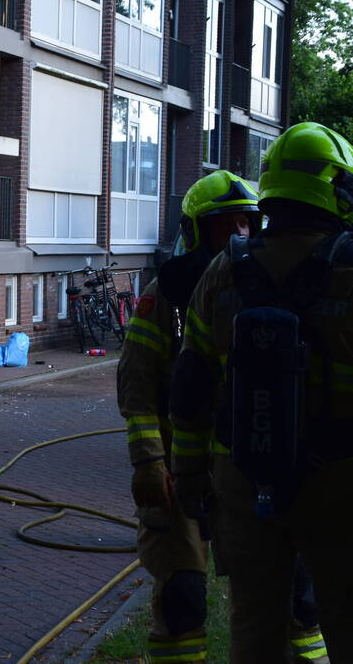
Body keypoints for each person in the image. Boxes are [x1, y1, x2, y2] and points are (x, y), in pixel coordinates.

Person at [171, 122, 353, 662]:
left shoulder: (226, 268)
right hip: (339, 486)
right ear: (336, 187)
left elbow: (189, 388)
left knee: (253, 628)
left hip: (242, 482)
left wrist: (187, 480)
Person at [117, 170, 264, 663]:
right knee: (183, 595)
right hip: (179, 468)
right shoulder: (167, 295)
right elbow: (137, 382)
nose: (241, 235)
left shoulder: (265, 287)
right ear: (199, 230)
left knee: (292, 602)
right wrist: (148, 461)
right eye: (228, 225)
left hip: (248, 466)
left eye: (249, 223)